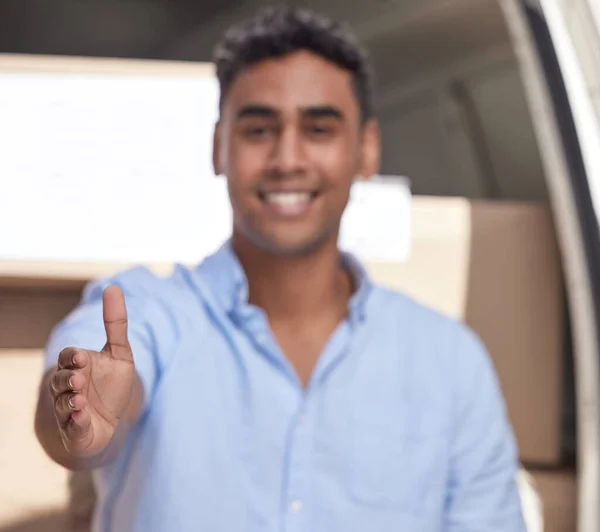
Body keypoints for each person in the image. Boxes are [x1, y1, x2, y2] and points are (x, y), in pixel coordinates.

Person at [34, 5, 526, 531]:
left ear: (367, 148)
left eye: (318, 128)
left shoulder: (451, 363)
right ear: (218, 147)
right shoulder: (144, 312)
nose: (288, 158)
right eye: (260, 129)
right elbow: (76, 402)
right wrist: (80, 419)